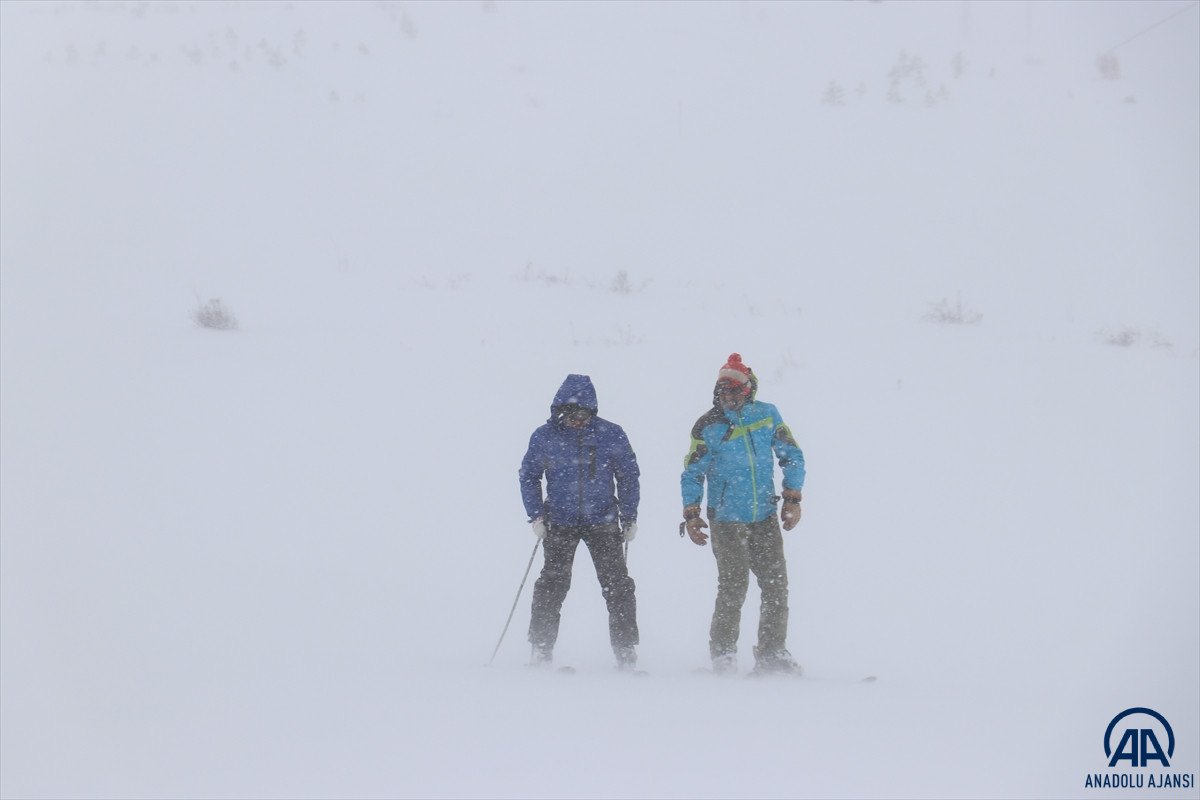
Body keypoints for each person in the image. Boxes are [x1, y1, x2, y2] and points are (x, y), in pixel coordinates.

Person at [680, 353, 806, 676]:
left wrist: (792, 498)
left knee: (776, 586)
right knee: (733, 586)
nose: (729, 398)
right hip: (726, 520)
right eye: (724, 392)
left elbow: (791, 455)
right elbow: (692, 472)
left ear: (748, 390)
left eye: (735, 391)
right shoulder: (707, 426)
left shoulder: (767, 416)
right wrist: (692, 514)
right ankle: (723, 655)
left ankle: (772, 652)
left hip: (764, 515)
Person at [519, 374, 641, 671]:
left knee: (618, 586)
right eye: (572, 413)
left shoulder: (611, 434)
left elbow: (628, 476)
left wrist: (630, 516)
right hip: (559, 521)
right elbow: (529, 476)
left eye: (584, 414)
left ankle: (625, 651)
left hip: (604, 520)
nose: (578, 420)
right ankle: (541, 649)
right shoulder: (544, 436)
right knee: (552, 583)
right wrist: (536, 515)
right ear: (560, 411)